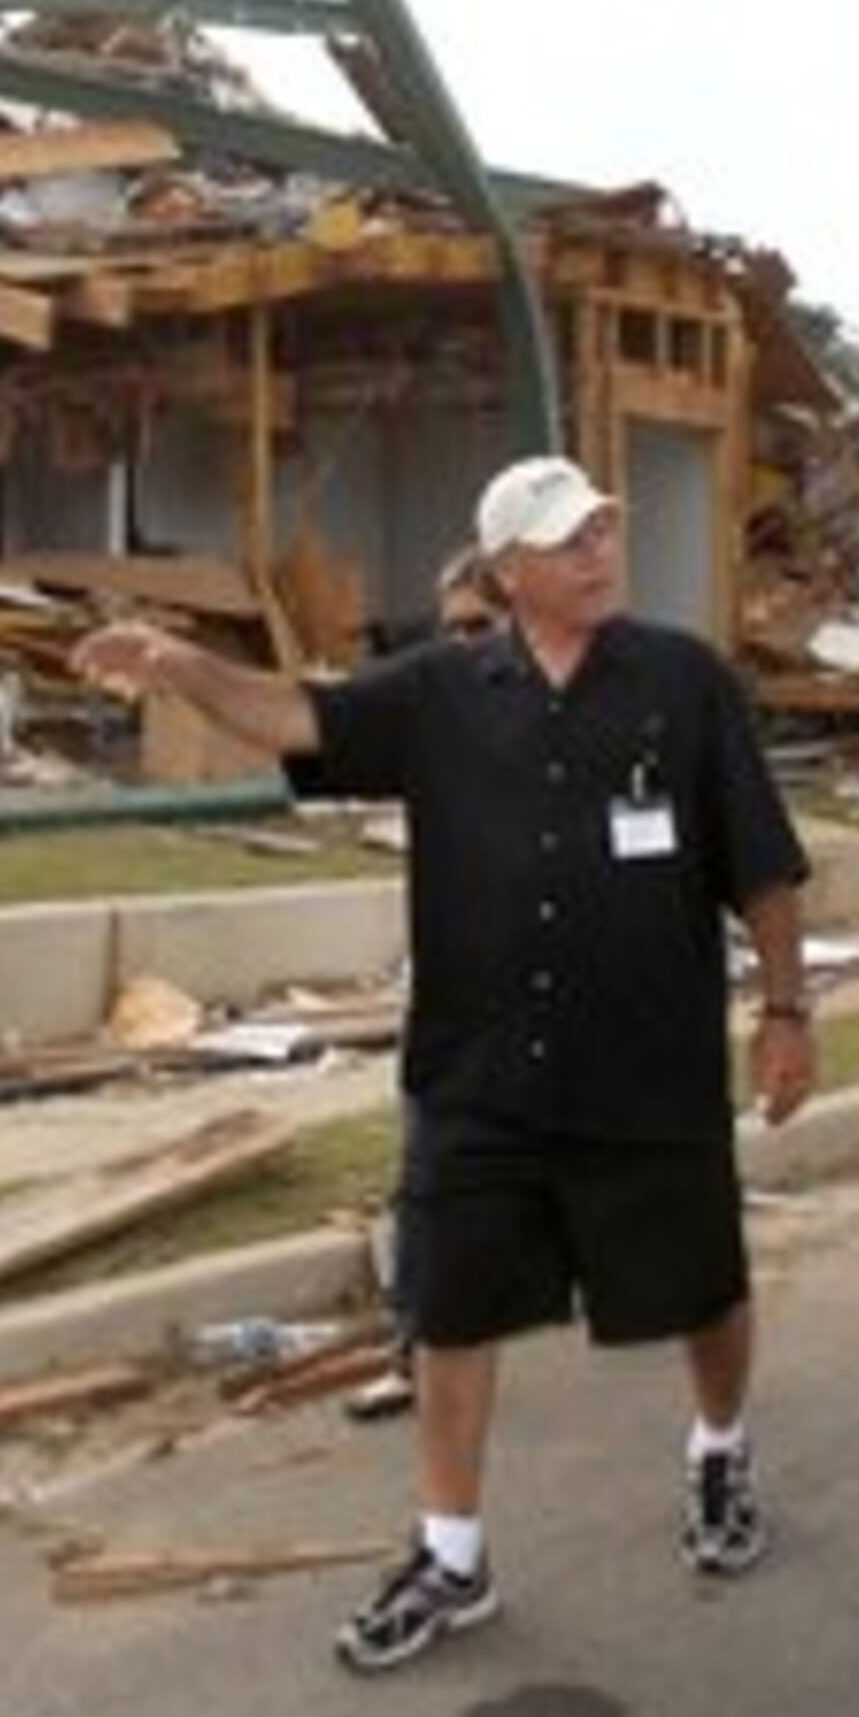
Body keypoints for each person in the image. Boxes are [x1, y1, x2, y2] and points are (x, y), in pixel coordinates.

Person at [72, 456, 816, 1672]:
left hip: (648, 1066)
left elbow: (764, 864)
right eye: (570, 540)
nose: (600, 552)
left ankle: (720, 1449)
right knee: (451, 1306)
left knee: (701, 1284)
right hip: (482, 1071)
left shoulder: (685, 683)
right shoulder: (441, 692)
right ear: (509, 571)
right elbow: (301, 717)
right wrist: (183, 667)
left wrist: (787, 1011)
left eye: (605, 530)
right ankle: (451, 1553)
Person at [344, 543, 515, 1426]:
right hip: (459, 1001)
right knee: (429, 1174)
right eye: (450, 631)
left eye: (479, 628)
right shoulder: (438, 718)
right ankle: (415, 1348)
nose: (462, 648)